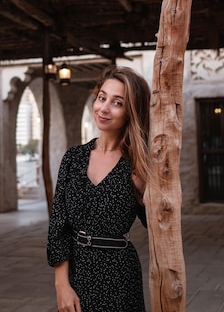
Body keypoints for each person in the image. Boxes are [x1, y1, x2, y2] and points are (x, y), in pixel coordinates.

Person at [47, 65, 151, 312]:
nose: (103, 108)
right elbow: (58, 225)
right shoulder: (73, 158)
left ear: (131, 112)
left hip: (120, 275)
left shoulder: (138, 164)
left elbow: (158, 227)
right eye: (102, 98)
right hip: (77, 271)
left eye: (117, 103)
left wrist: (143, 191)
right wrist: (61, 285)